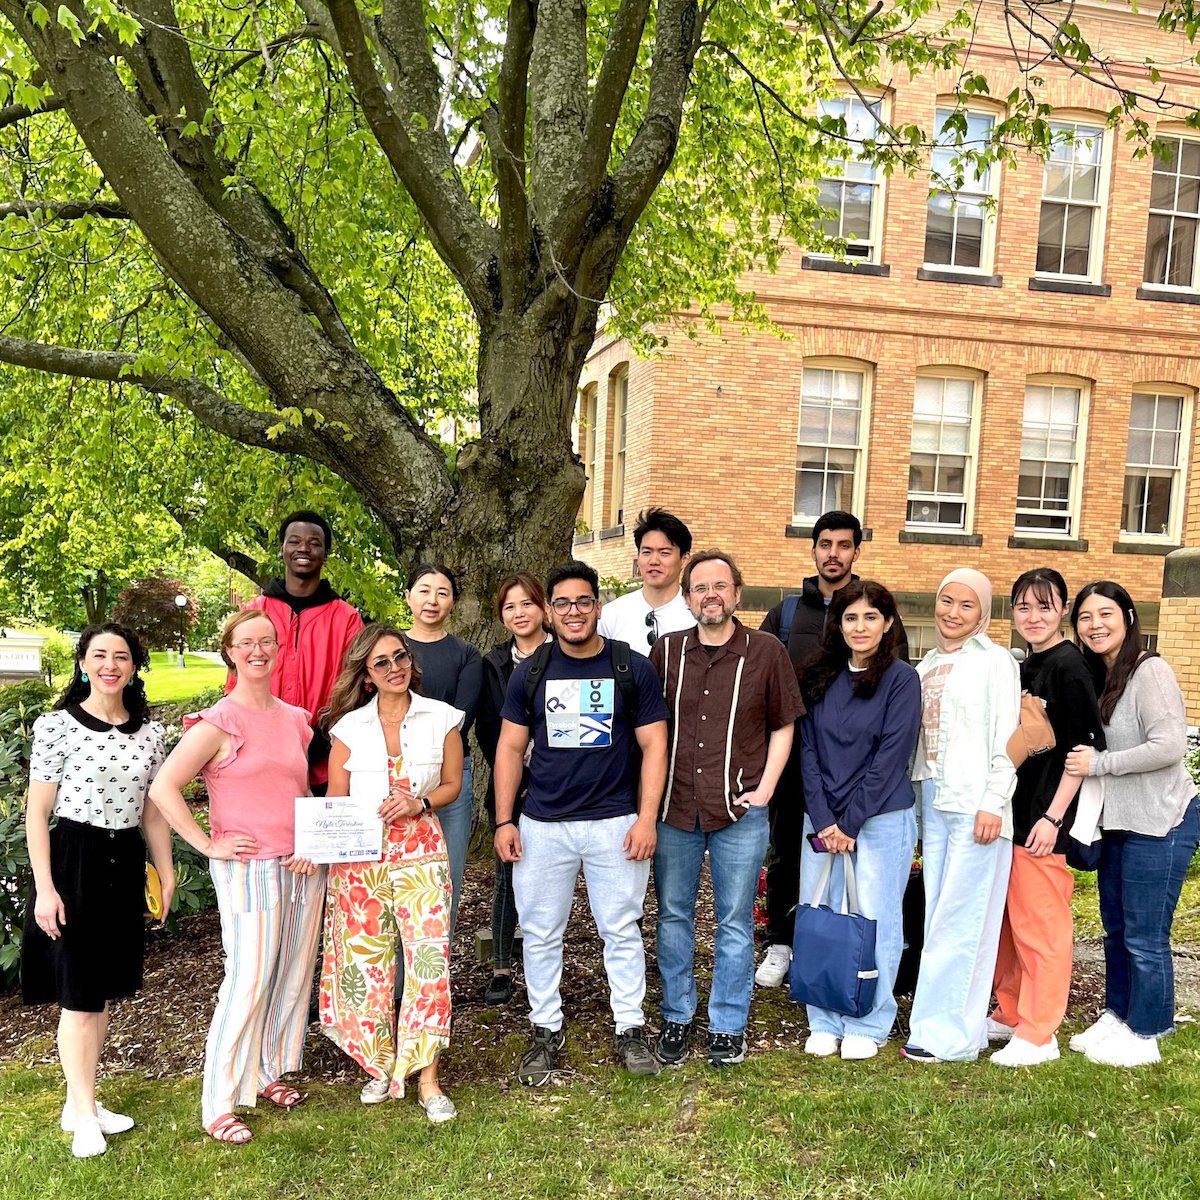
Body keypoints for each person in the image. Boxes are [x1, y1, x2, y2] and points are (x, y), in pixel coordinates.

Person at [149, 610, 324, 1145]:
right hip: (247, 868)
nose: (257, 650)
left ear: (279, 648)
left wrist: (317, 840)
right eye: (245, 643)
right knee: (248, 978)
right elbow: (163, 788)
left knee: (290, 974)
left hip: (301, 864)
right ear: (229, 652)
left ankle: (268, 1072)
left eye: (266, 641)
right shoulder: (217, 722)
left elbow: (302, 794)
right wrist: (206, 843)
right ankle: (219, 1100)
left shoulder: (296, 718)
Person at [493, 561, 669, 1085]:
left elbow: (654, 743)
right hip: (543, 824)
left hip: (614, 822)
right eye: (563, 603)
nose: (574, 612)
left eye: (583, 602)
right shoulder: (531, 670)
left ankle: (630, 1026)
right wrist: (505, 820)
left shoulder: (629, 666)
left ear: (597, 606)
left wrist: (647, 818)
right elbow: (508, 746)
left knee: (621, 929)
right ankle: (545, 1027)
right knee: (542, 932)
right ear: (550, 611)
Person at [22, 624, 172, 1158]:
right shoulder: (55, 726)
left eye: (123, 657)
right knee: (79, 997)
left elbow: (154, 810)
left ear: (134, 667)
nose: (111, 665)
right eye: (100, 655)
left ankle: (79, 1099)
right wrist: (45, 888)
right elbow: (37, 812)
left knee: (101, 988)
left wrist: (166, 868)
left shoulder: (151, 733)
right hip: (75, 862)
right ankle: (83, 1111)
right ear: (84, 663)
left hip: (124, 862)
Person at [649, 550, 802, 1068]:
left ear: (737, 593)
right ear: (688, 597)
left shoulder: (767, 651)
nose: (710, 594)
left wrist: (765, 790)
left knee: (734, 922)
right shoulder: (665, 652)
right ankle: (676, 1014)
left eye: (720, 585)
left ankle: (728, 1024)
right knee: (673, 916)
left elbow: (785, 724)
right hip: (674, 809)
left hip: (741, 809)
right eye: (700, 587)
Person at [755, 510, 909, 987]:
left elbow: (893, 712)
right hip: (800, 760)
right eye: (825, 544)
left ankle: (849, 957)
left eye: (844, 545)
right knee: (786, 853)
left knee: (859, 874)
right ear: (814, 549)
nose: (833, 553)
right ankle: (783, 942)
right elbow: (763, 681)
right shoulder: (785, 613)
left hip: (861, 776)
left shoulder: (878, 612)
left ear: (856, 551)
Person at [318, 623, 462, 1120]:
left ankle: (428, 1077)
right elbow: (335, 800)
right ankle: (380, 1066)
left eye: (399, 656)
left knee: (427, 962)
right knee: (367, 964)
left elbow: (451, 784)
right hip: (360, 861)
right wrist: (315, 845)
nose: (395, 667)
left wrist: (417, 802)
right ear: (366, 674)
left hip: (421, 850)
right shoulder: (347, 730)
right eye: (381, 663)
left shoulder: (442, 717)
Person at [1064, 582, 1200, 1068]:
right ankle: (1118, 1016)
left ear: (1127, 616)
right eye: (1084, 617)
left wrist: (1100, 764)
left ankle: (1147, 1031)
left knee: (1145, 933)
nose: (1094, 625)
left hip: (1160, 820)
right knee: (1116, 928)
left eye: (1105, 614)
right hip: (1117, 823)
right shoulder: (1099, 676)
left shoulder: (1150, 670)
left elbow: (1169, 746)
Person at [797, 581, 921, 1061]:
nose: (861, 626)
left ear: (888, 623)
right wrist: (826, 817)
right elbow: (806, 751)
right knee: (822, 914)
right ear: (838, 624)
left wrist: (850, 821)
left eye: (871, 617)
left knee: (876, 917)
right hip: (825, 818)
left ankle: (870, 1020)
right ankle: (824, 1017)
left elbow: (891, 756)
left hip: (880, 818)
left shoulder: (901, 680)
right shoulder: (819, 676)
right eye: (851, 618)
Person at [987, 568, 1104, 1068]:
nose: (1033, 617)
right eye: (1023, 607)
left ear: (1062, 611)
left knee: (1042, 929)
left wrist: (1054, 818)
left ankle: (1040, 1032)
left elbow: (1086, 747)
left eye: (1045, 606)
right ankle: (1011, 1012)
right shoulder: (1028, 665)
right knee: (1011, 926)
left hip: (1043, 822)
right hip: (1016, 815)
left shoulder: (1068, 666)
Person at [903, 568, 1019, 1063]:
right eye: (946, 601)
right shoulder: (924, 665)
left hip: (977, 807)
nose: (953, 612)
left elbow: (1009, 739)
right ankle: (942, 1026)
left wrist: (994, 801)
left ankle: (950, 1036)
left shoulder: (996, 663)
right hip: (933, 802)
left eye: (966, 604)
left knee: (965, 920)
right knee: (937, 917)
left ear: (984, 612)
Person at [238, 509, 364, 792]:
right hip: (259, 754)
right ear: (282, 548)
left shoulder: (345, 618)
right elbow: (236, 683)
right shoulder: (255, 612)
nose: (304, 548)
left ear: (326, 553)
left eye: (314, 542)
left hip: (325, 760)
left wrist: (324, 736)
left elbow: (353, 685)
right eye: (294, 541)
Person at [475, 572, 553, 1005]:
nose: (519, 613)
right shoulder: (493, 664)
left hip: (562, 785)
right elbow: (490, 730)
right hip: (511, 786)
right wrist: (515, 763)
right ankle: (503, 966)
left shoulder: (566, 653)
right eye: (509, 607)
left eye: (527, 603)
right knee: (507, 877)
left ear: (542, 607)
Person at [403, 563, 482, 936]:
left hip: (452, 773)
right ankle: (395, 983)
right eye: (423, 590)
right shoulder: (391, 648)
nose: (432, 600)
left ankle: (434, 979)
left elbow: (458, 719)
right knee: (395, 876)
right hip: (394, 772)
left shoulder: (466, 654)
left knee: (445, 876)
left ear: (452, 603)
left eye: (442, 592)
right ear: (408, 596)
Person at [598, 508, 695, 654]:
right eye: (647, 552)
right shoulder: (611, 614)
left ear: (684, 559)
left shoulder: (696, 614)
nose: (654, 561)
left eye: (664, 553)